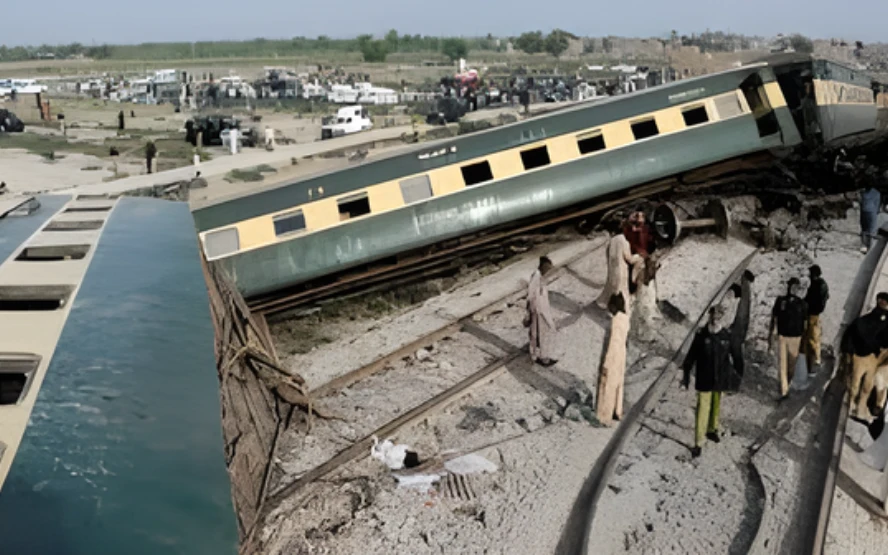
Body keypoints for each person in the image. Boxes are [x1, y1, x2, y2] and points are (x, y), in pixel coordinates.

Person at [683, 304, 736, 458]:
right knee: (702, 408)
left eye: (718, 317)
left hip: (720, 379)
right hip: (704, 379)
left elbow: (735, 358)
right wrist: (686, 376)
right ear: (709, 317)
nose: (715, 320)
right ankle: (699, 442)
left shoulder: (726, 336)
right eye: (713, 316)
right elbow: (691, 356)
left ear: (722, 319)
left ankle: (712, 429)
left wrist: (733, 379)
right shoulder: (701, 336)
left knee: (716, 404)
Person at [844, 292, 888, 419]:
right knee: (858, 384)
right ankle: (853, 405)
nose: (884, 304)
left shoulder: (864, 320)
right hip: (865, 356)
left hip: (872, 357)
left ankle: (857, 406)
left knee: (866, 386)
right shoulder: (867, 320)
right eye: (882, 301)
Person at [769, 277, 808, 400]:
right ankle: (783, 391)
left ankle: (787, 383)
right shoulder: (781, 301)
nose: (793, 289)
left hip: (796, 338)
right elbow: (774, 318)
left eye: (796, 287)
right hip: (782, 336)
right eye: (792, 286)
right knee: (782, 364)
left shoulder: (803, 304)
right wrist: (772, 333)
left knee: (791, 366)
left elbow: (805, 324)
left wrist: (803, 341)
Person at [597, 292, 630, 426]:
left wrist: (606, 362)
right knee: (619, 383)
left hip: (614, 354)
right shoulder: (626, 318)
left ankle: (605, 415)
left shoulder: (615, 322)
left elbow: (612, 344)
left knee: (608, 384)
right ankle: (618, 410)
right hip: (622, 353)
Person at [597, 229, 643, 311]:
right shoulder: (624, 242)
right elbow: (629, 259)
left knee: (612, 290)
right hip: (621, 272)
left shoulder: (611, 242)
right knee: (624, 293)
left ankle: (606, 305)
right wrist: (638, 257)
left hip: (612, 270)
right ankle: (626, 313)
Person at [525, 256, 557, 366]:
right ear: (542, 266)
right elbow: (530, 295)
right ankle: (541, 358)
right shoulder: (536, 277)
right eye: (547, 268)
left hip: (542, 309)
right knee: (539, 334)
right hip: (538, 311)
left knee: (540, 334)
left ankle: (538, 355)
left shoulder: (541, 277)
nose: (548, 270)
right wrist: (531, 312)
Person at [804, 265, 830, 375]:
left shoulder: (817, 285)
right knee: (812, 337)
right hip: (813, 314)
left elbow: (815, 300)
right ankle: (814, 359)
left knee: (812, 337)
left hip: (813, 314)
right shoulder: (821, 284)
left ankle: (816, 360)